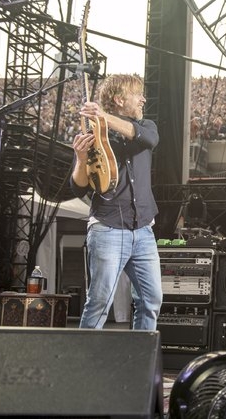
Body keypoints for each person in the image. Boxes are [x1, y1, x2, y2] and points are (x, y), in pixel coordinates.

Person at [70, 74, 162, 330]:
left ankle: (140, 354)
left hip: (143, 229)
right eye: (137, 94)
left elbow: (148, 139)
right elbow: (78, 187)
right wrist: (80, 159)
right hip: (108, 228)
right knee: (99, 302)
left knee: (151, 300)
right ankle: (83, 356)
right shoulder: (93, 134)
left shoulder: (146, 127)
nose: (143, 99)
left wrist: (103, 116)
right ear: (119, 100)